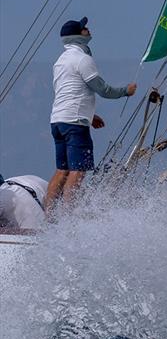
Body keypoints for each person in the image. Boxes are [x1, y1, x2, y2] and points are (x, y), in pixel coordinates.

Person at [45, 17, 137, 211]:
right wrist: (125, 92)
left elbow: (69, 92)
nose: (88, 29)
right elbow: (102, 89)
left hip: (58, 120)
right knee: (77, 171)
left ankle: (49, 221)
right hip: (75, 123)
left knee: (62, 170)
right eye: (84, 28)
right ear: (77, 35)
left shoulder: (60, 61)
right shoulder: (83, 59)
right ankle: (70, 220)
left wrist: (90, 115)